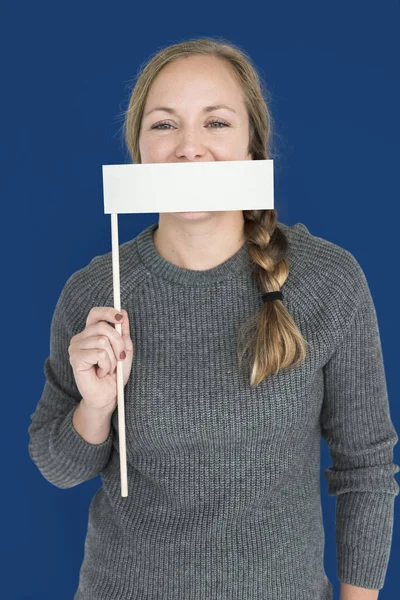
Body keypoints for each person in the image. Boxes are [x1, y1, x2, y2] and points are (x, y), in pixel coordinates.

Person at [28, 37, 399, 600]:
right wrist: (96, 406)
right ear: (139, 152)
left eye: (217, 123)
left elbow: (367, 468)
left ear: (253, 147)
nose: (189, 149)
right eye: (164, 125)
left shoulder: (330, 282)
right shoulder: (95, 292)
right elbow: (59, 466)